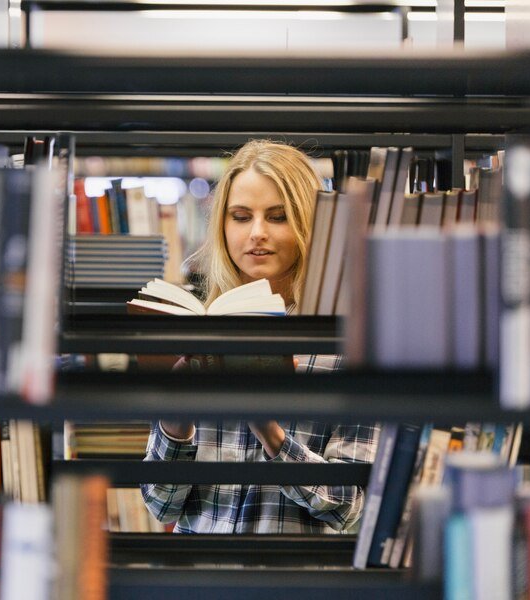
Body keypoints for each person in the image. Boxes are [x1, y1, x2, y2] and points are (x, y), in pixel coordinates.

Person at [141, 140, 379, 534]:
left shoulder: (347, 342)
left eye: (277, 216)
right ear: (222, 225)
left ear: (307, 222)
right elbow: (162, 507)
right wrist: (175, 422)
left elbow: (349, 506)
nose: (256, 233)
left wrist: (271, 434)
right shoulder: (199, 325)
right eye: (240, 216)